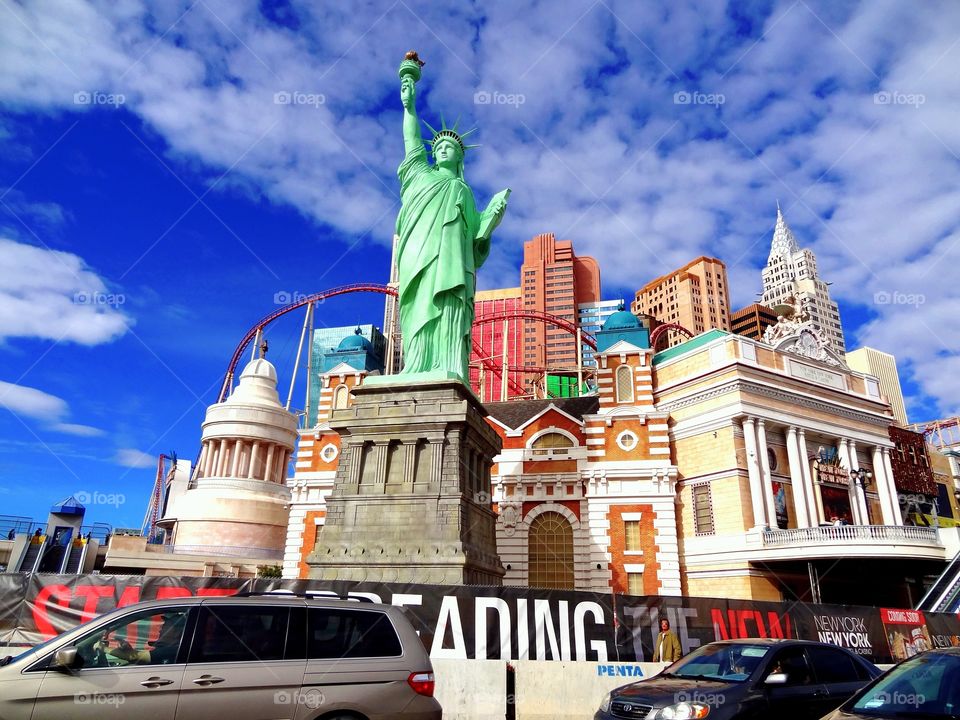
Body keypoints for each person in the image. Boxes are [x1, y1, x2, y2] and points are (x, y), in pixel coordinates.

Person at [395, 52, 508, 382]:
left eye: (451, 148)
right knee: (417, 306)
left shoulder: (463, 190)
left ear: (460, 157)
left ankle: (449, 364)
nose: (443, 149)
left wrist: (490, 220)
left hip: (452, 262)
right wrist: (409, 106)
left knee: (449, 306)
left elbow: (475, 241)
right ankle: (416, 366)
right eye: (439, 147)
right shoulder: (419, 174)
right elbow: (411, 138)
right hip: (419, 253)